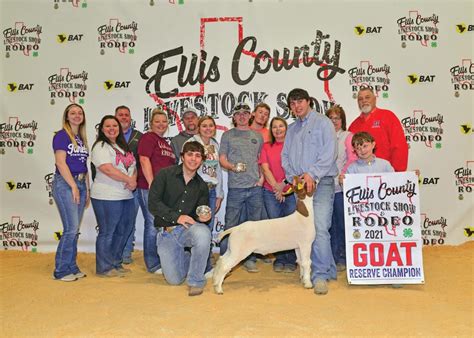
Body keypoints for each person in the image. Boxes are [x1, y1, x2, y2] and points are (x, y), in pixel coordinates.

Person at [281, 88, 338, 295]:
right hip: (300, 186)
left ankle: (320, 274)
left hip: (320, 182)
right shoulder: (292, 129)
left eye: (300, 102)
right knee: (306, 230)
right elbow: (285, 156)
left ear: (308, 102)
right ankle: (328, 268)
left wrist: (312, 174)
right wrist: (292, 177)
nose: (297, 106)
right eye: (293, 104)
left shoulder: (323, 123)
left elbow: (330, 152)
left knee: (320, 227)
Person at [148, 141, 211, 296]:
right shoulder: (165, 174)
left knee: (203, 233)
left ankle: (196, 280)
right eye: (190, 154)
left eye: (198, 156)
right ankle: (191, 258)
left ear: (202, 160)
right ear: (182, 156)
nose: (193, 159)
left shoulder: (202, 185)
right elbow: (153, 203)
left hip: (187, 230)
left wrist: (203, 217)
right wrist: (177, 217)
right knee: (174, 280)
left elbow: (198, 212)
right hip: (167, 232)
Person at [219, 102, 264, 273]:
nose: (242, 116)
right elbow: (222, 158)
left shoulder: (257, 136)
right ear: (234, 117)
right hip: (236, 187)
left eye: (245, 113)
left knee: (253, 225)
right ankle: (225, 258)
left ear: (250, 115)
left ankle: (250, 259)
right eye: (239, 114)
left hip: (254, 188)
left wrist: (260, 179)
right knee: (231, 223)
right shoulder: (228, 135)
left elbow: (260, 159)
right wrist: (232, 167)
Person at [90, 115, 137, 277]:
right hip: (106, 195)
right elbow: (107, 168)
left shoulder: (122, 146)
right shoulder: (101, 146)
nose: (112, 129)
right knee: (107, 231)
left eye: (115, 126)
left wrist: (133, 181)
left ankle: (115, 263)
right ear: (102, 129)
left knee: (123, 230)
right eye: (108, 126)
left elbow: (133, 166)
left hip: (126, 194)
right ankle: (104, 267)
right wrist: (128, 180)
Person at [52, 103, 90, 282]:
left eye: (79, 113)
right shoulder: (61, 136)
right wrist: (74, 186)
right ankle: (60, 270)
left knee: (74, 230)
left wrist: (86, 189)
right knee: (71, 229)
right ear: (67, 117)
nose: (77, 115)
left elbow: (84, 166)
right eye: (72, 113)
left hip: (81, 183)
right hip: (66, 183)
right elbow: (61, 163)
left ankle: (71, 267)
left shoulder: (81, 138)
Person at [137, 109, 176, 273]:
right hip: (149, 188)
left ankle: (159, 260)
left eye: (164, 121)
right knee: (153, 224)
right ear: (151, 123)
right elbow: (144, 159)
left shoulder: (165, 143)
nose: (161, 124)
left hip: (163, 191)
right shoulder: (148, 138)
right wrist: (153, 185)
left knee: (159, 225)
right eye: (157, 121)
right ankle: (152, 264)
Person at [184, 116, 224, 272]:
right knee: (195, 226)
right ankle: (195, 263)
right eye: (204, 126)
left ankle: (206, 261)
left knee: (208, 226)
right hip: (197, 190)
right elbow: (185, 167)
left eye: (211, 126)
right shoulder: (192, 143)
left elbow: (218, 170)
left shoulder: (215, 144)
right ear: (199, 128)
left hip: (212, 190)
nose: (208, 128)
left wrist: (220, 193)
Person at [259, 117, 297, 273]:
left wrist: (284, 186)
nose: (278, 129)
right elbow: (265, 169)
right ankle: (280, 258)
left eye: (281, 126)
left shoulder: (293, 146)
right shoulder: (266, 146)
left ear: (286, 128)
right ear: (271, 130)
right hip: (271, 191)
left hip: (290, 190)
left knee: (290, 226)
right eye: (274, 127)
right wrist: (276, 188)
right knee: (276, 226)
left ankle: (291, 259)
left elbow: (296, 167)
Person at [326, 105, 357, 273]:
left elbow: (352, 158)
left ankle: (344, 257)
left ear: (342, 120)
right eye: (330, 118)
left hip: (342, 187)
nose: (334, 121)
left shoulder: (348, 136)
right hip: (325, 188)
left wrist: (343, 174)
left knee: (342, 223)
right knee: (329, 225)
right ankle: (332, 256)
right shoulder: (324, 137)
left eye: (337, 118)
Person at [348, 88, 408, 172]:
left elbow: (399, 146)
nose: (364, 101)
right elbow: (351, 155)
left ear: (375, 99)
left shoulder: (388, 116)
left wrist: (397, 173)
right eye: (360, 99)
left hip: (387, 173)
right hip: (361, 177)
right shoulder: (353, 126)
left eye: (367, 97)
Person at [115, 105, 143, 265]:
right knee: (115, 221)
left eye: (126, 115)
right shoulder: (109, 135)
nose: (124, 117)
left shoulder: (139, 136)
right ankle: (115, 252)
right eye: (120, 115)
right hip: (113, 186)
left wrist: (132, 180)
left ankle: (125, 253)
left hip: (134, 185)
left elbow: (143, 161)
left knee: (129, 221)